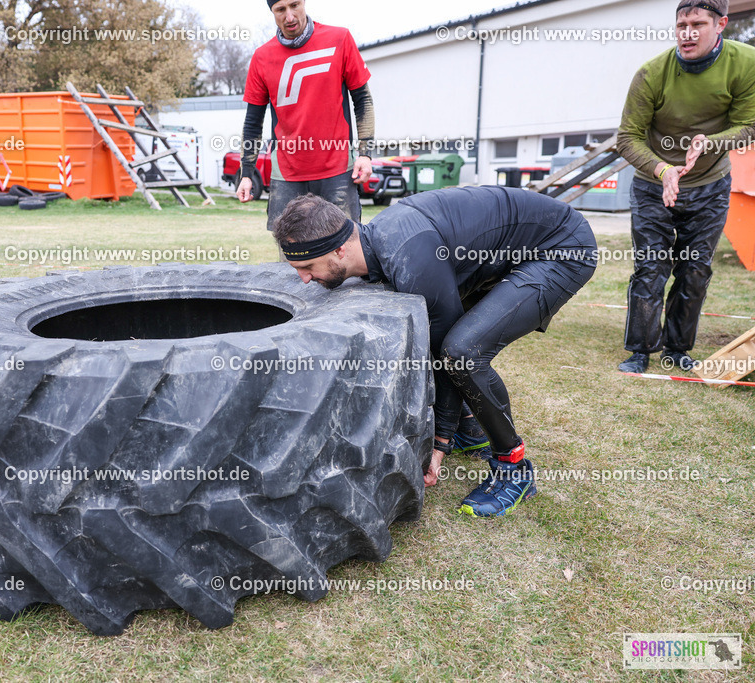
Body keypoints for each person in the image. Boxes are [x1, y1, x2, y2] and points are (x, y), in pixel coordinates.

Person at [272, 187, 597, 517]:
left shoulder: (408, 256)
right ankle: (471, 432)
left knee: (462, 352)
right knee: (455, 344)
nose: (303, 279)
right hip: (500, 254)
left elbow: (443, 353)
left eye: (308, 266)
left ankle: (513, 468)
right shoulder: (378, 245)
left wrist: (438, 442)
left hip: (560, 248)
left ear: (340, 249)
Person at [615, 0, 755, 373]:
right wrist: (663, 170)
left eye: (697, 24)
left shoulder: (746, 63)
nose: (687, 32)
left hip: (710, 183)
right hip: (652, 184)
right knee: (650, 268)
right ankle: (640, 351)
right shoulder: (652, 73)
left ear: (721, 24)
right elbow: (627, 138)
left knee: (695, 269)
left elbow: (749, 124)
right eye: (681, 24)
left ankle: (677, 349)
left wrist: (709, 143)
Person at [236, 0, 374, 231]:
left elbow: (363, 100)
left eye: (295, 5)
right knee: (292, 258)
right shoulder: (262, 57)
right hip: (287, 175)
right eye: (280, 10)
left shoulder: (339, 39)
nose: (290, 16)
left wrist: (365, 153)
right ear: (272, 12)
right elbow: (253, 122)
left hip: (338, 171)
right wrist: (246, 174)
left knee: (346, 254)